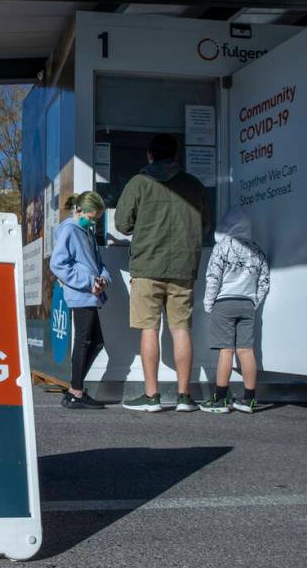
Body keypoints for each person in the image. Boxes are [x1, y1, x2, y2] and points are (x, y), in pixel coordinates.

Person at [114, 133, 210, 412]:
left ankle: (152, 396)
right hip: (183, 266)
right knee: (181, 329)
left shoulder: (139, 183)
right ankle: (184, 396)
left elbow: (121, 223)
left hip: (147, 266)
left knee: (149, 329)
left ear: (149, 155)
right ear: (176, 155)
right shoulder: (193, 185)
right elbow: (205, 224)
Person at [199, 207, 270, 414]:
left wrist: (209, 304)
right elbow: (264, 281)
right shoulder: (257, 250)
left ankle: (220, 399)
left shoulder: (222, 247)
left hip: (224, 303)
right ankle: (248, 399)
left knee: (226, 351)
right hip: (247, 304)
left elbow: (213, 277)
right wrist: (254, 302)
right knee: (246, 351)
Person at [50, 191, 111, 409]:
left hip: (91, 293)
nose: (93, 221)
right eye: (91, 217)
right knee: (85, 341)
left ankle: (75, 389)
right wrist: (88, 281)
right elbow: (58, 264)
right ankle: (76, 391)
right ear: (79, 210)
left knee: (95, 342)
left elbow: (98, 263)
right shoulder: (70, 229)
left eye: (96, 218)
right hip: (81, 294)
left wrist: (104, 279)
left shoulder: (86, 231)